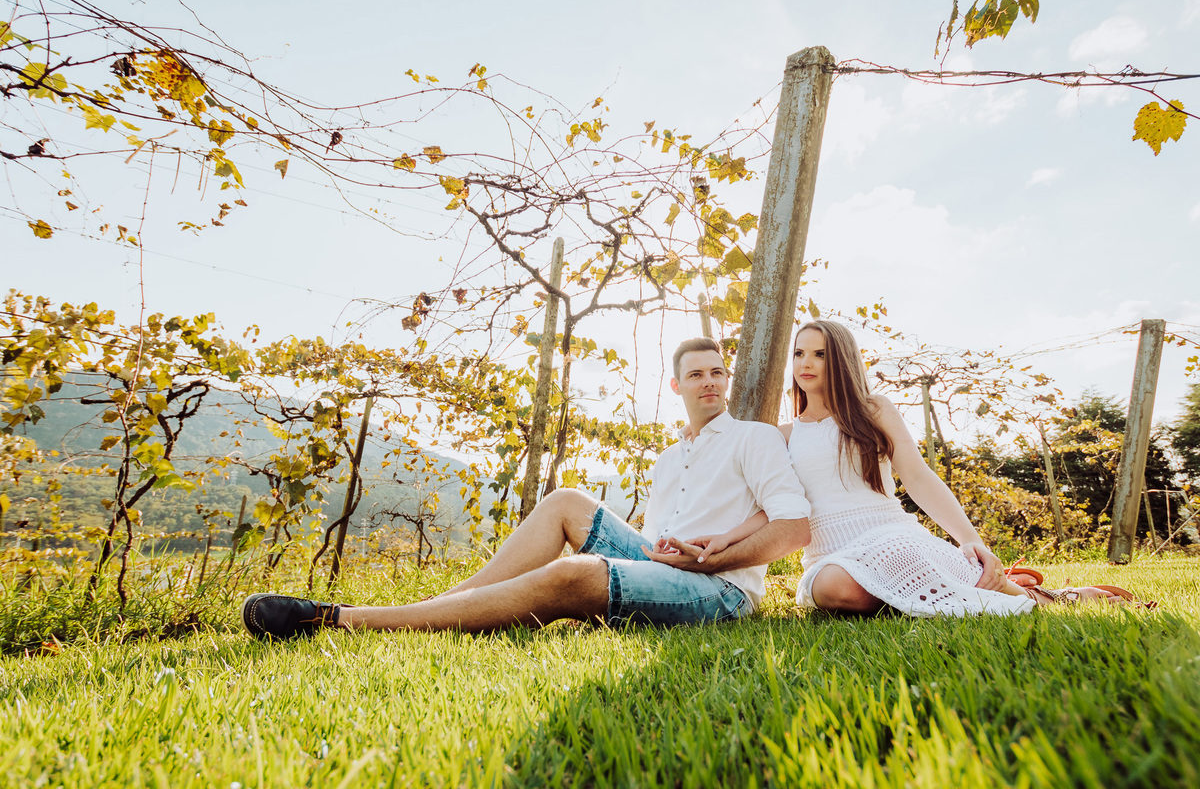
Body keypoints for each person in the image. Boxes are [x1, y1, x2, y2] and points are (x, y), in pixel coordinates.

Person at [241, 337, 812, 640]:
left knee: (575, 574)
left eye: (717, 372)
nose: (709, 382)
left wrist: (710, 561)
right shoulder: (669, 459)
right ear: (676, 385)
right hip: (664, 565)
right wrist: (662, 554)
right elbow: (656, 543)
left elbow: (794, 527)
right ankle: (445, 607)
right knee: (565, 500)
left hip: (720, 591)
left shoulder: (755, 438)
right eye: (697, 374)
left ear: (726, 380)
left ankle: (341, 618)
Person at [678, 320, 1145, 616]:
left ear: (840, 358)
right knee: (838, 591)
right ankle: (942, 589)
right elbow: (776, 509)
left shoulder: (873, 410)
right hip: (828, 555)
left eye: (819, 353)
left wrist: (971, 541)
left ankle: (1027, 593)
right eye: (799, 353)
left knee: (897, 560)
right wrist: (723, 536)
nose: (806, 362)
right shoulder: (782, 435)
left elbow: (919, 478)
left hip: (890, 534)